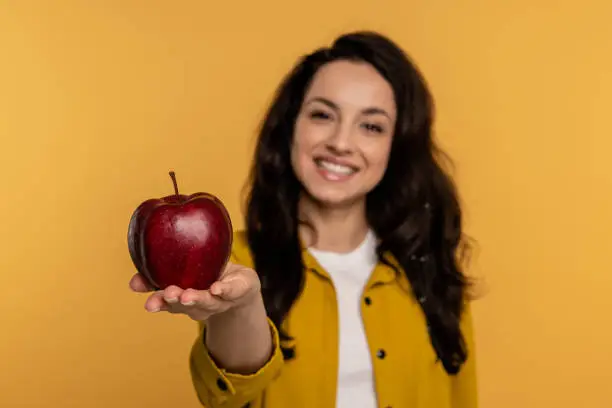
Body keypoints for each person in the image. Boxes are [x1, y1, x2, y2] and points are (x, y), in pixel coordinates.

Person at [130, 30, 478, 408]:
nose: (341, 143)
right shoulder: (234, 263)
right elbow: (229, 397)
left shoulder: (430, 266)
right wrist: (239, 308)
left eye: (372, 126)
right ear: (291, 127)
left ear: (397, 146)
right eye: (323, 115)